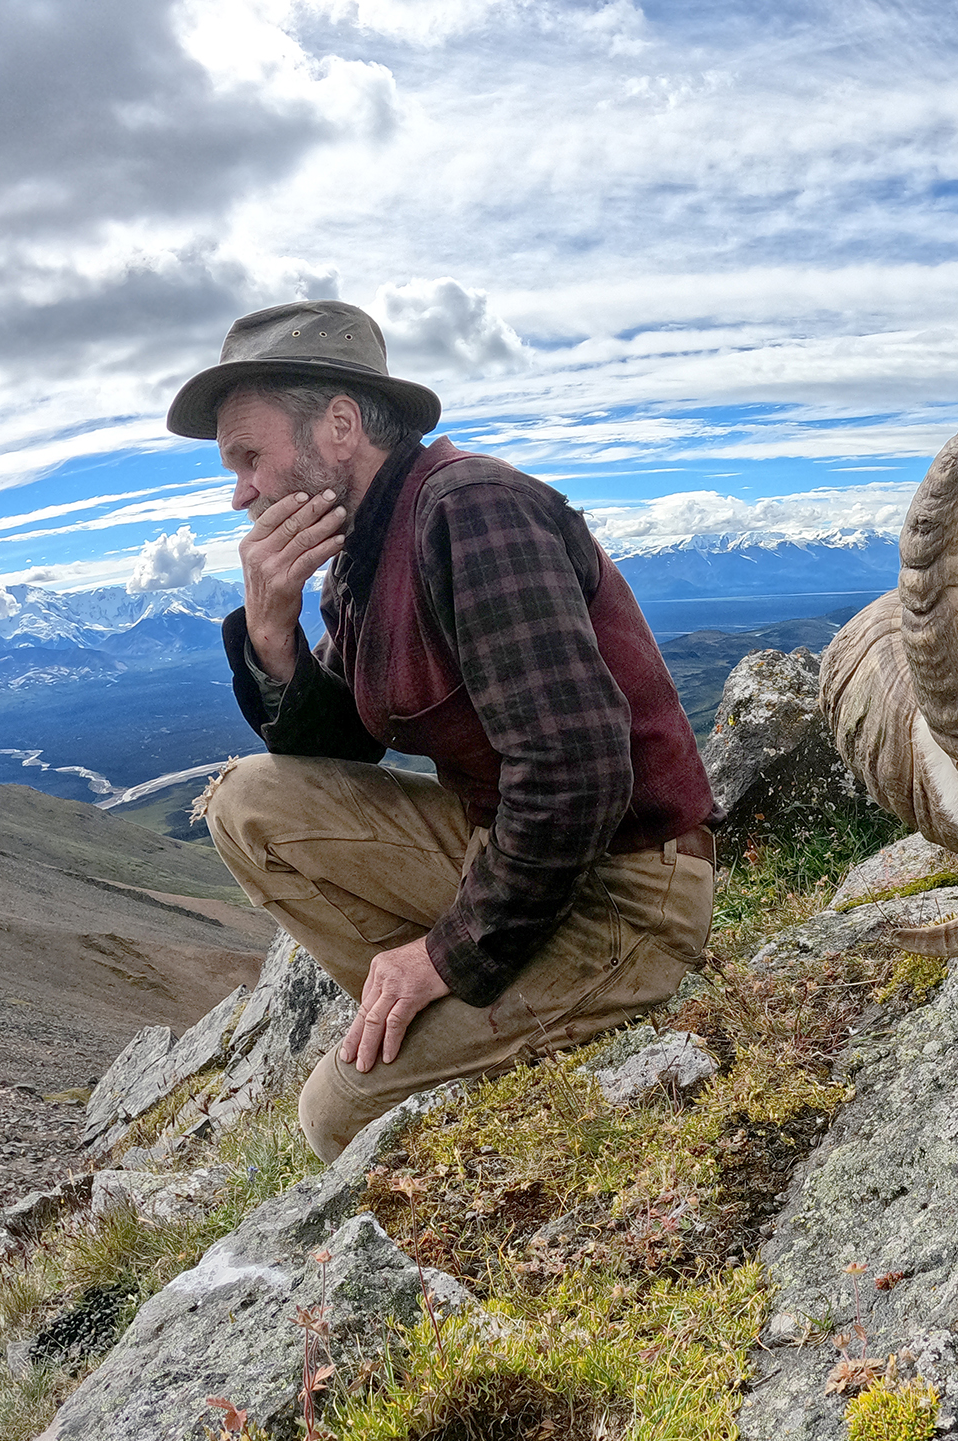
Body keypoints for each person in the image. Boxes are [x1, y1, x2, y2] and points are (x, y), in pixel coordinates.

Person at [169, 300, 716, 1162]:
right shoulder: (367, 550)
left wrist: (444, 957)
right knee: (247, 804)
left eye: (249, 457)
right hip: (507, 856)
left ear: (340, 426)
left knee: (334, 1117)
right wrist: (272, 635)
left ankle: (505, 1011)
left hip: (624, 891)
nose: (240, 491)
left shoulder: (472, 510)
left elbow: (578, 772)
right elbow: (338, 756)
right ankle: (471, 1019)